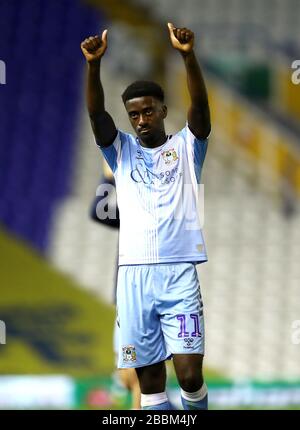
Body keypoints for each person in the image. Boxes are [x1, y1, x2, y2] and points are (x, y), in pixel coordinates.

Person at [81, 22, 211, 410]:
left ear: (163, 111)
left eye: (148, 111)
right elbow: (96, 115)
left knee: (189, 375)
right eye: (134, 114)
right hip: (133, 277)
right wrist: (93, 67)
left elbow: (201, 109)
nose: (141, 120)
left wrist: (187, 57)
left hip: (178, 274)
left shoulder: (188, 148)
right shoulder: (119, 152)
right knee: (150, 385)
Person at [90, 160, 141, 410]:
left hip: (144, 296)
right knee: (127, 369)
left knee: (136, 368)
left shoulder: (159, 213)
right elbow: (98, 211)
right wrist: (107, 179)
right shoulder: (131, 213)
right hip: (125, 296)